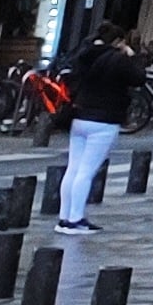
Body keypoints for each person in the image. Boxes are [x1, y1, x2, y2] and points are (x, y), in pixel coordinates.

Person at [57, 22, 140, 236]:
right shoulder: (117, 59)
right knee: (86, 171)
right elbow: (139, 78)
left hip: (80, 116)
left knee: (73, 168)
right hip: (104, 119)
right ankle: (76, 219)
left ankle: (64, 217)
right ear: (118, 42)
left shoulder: (84, 55)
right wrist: (131, 55)